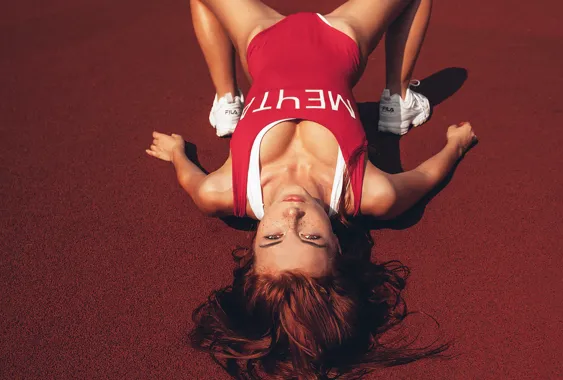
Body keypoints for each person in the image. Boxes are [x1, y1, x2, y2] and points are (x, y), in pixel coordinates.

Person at [147, 0, 476, 377]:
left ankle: (227, 101)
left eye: (272, 237)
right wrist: (456, 146)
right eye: (310, 236)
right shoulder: (369, 192)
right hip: (339, 40)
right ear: (337, 247)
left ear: (251, 255)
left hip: (262, 42)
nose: (291, 215)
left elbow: (192, 180)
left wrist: (177, 154)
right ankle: (397, 100)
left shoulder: (222, 191)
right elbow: (425, 177)